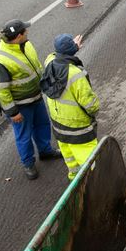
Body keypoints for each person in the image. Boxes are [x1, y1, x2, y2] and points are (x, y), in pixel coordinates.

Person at [0, 19, 62, 180]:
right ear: (19, 35)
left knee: (42, 124)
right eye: (25, 31)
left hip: (36, 97)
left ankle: (45, 151)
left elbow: (35, 67)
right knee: (24, 135)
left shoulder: (25, 44)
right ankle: (28, 163)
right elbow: (1, 90)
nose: (28, 32)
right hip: (21, 106)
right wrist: (13, 112)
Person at [40, 33, 100, 180]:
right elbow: (90, 105)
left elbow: (54, 54)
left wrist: (69, 48)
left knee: (69, 154)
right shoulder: (75, 74)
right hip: (78, 127)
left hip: (59, 123)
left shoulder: (49, 62)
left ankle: (73, 175)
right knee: (90, 160)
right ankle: (93, 182)